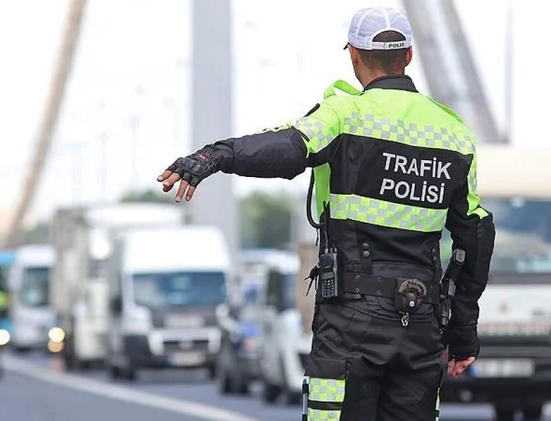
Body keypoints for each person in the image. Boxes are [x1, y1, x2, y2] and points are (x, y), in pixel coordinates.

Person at [156, 7, 495, 420]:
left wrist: (215, 156)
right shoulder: (453, 133)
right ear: (408, 56)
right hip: (420, 324)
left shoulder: (344, 114)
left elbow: (286, 149)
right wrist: (462, 330)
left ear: (353, 54)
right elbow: (475, 235)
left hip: (351, 324)